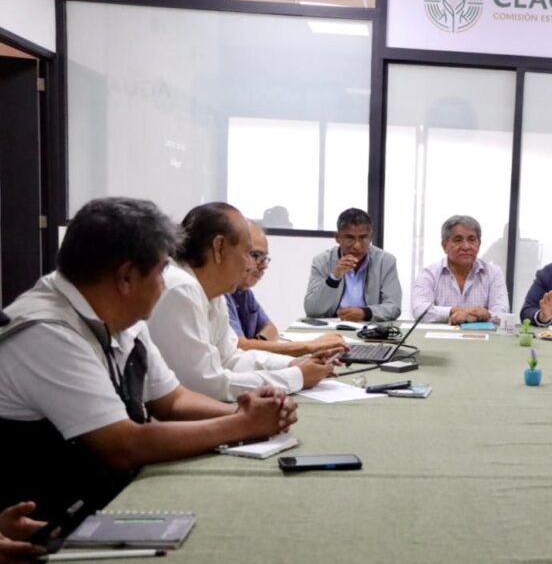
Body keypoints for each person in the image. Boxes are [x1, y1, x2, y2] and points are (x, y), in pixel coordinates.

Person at [0, 198, 298, 519]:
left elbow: (172, 401)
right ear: (127, 277)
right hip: (50, 525)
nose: (164, 283)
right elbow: (124, 445)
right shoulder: (47, 331)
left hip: (100, 500)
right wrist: (241, 424)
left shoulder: (122, 316)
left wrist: (244, 412)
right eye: (161, 271)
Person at [148, 203, 343, 401]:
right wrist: (297, 376)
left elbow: (231, 358)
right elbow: (206, 385)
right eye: (249, 253)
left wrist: (294, 364)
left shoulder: (213, 291)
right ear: (219, 247)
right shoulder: (181, 287)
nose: (251, 265)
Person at [228, 221, 347, 357]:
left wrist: (259, 345)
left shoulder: (244, 292)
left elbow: (271, 329)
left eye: (264, 258)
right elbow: (239, 346)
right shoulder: (221, 294)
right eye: (255, 255)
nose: (264, 265)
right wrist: (309, 346)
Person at [304, 208, 402, 321]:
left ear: (371, 237)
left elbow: (394, 307)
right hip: (332, 326)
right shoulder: (322, 261)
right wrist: (334, 278)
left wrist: (365, 313)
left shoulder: (385, 261)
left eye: (363, 238)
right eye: (350, 238)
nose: (357, 246)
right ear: (337, 237)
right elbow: (312, 310)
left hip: (370, 326)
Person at [413, 215, 510, 325]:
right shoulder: (429, 274)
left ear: (479, 244)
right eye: (458, 240)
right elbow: (419, 310)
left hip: (482, 335)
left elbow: (502, 313)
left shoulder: (493, 273)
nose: (466, 246)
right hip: (440, 335)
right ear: (444, 245)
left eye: (471, 240)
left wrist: (474, 317)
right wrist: (454, 311)